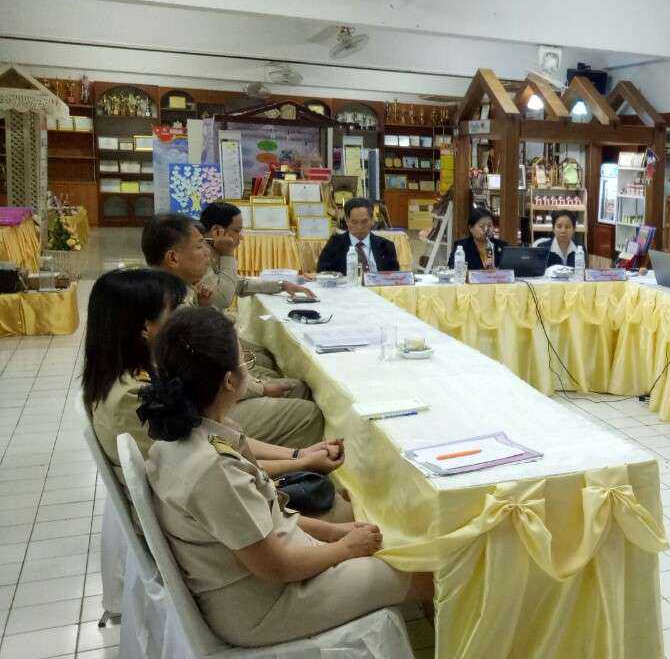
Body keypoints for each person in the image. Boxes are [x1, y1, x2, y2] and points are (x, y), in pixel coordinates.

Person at [139, 307, 433, 647]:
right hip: (266, 605)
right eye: (245, 362)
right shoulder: (212, 468)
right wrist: (346, 549)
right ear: (230, 381)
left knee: (388, 544)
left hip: (270, 575)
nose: (247, 368)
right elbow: (275, 566)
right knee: (422, 571)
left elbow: (266, 519)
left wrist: (335, 533)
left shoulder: (186, 437)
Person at [82, 268, 344, 487]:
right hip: (196, 511)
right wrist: (301, 463)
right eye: (173, 312)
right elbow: (216, 468)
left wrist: (298, 455)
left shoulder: (132, 371)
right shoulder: (134, 396)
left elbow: (215, 437)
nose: (181, 319)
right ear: (144, 328)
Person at [142, 213, 326, 449]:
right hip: (201, 412)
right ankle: (294, 465)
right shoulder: (171, 304)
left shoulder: (174, 288)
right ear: (173, 258)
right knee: (307, 410)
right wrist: (260, 388)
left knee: (278, 372)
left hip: (201, 397)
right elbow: (206, 373)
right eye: (200, 246)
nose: (207, 252)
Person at [199, 202, 314, 309]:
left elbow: (240, 284)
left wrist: (282, 285)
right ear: (217, 230)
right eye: (237, 231)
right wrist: (228, 255)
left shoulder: (213, 250)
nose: (241, 237)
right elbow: (222, 300)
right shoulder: (199, 255)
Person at [316, 197, 399, 274]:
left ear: (372, 220)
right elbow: (323, 273)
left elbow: (394, 278)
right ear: (347, 221)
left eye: (364, 222)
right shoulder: (334, 244)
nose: (359, 227)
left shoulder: (386, 246)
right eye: (354, 222)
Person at [452, 206, 507, 271]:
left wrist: (496, 270)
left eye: (489, 226)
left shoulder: (502, 246)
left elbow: (510, 269)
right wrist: (482, 270)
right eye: (482, 226)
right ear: (471, 228)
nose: (486, 230)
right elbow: (452, 268)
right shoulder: (461, 246)